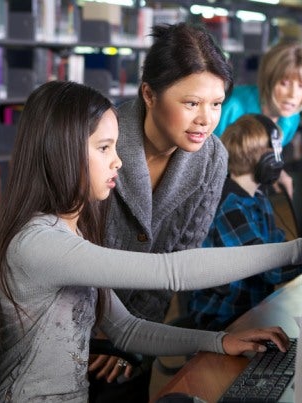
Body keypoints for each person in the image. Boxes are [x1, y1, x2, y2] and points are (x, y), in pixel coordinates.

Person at [0, 80, 302, 402]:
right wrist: (300, 249)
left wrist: (218, 342)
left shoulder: (71, 233)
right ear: (63, 152)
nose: (118, 162)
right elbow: (172, 271)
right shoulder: (39, 244)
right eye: (104, 148)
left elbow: (127, 329)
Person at [92, 22, 232, 402]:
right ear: (149, 94)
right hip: (74, 321)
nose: (206, 119)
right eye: (191, 103)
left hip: (140, 328)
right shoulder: (99, 139)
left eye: (216, 103)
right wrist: (108, 334)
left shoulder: (212, 159)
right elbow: (71, 248)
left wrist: (132, 340)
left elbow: (177, 261)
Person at [188, 114, 302, 331]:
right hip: (223, 319)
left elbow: (277, 244)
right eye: (278, 151)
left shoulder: (258, 196)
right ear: (267, 160)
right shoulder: (229, 206)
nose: (280, 159)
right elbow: (269, 269)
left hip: (253, 307)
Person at [214, 41, 302, 196]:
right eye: (284, 83)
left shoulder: (291, 118)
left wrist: (278, 171)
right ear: (268, 80)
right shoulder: (233, 106)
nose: (293, 95)